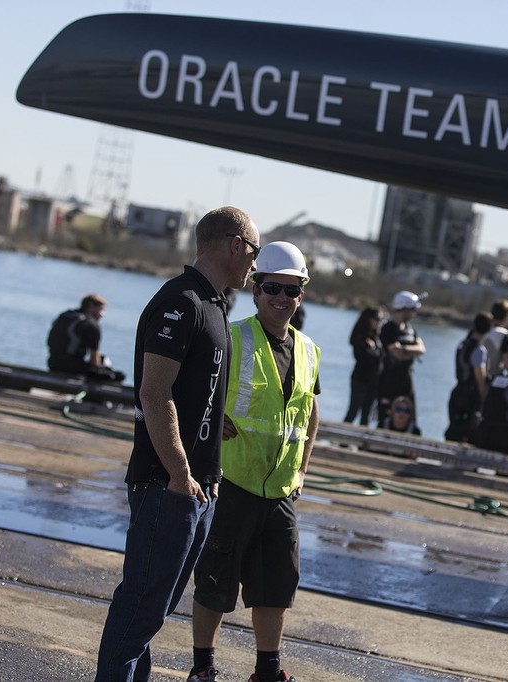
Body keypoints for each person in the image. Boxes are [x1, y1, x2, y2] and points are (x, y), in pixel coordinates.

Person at [94, 206, 259, 682]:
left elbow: (190, 391)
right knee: (139, 610)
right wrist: (179, 475)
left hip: (197, 486)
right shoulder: (181, 302)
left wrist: (213, 424)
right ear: (234, 245)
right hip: (167, 485)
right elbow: (153, 392)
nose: (254, 264)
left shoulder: (214, 307)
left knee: (152, 614)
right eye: (254, 251)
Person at [189, 241, 321, 682]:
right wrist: (209, 414)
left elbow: (310, 413)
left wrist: (302, 469)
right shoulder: (230, 336)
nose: (282, 298)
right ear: (256, 290)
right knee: (215, 583)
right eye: (272, 288)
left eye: (291, 290)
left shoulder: (309, 351)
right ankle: (203, 667)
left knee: (276, 589)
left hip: (280, 491)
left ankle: (268, 671)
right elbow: (188, 386)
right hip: (232, 484)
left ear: (301, 294)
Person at [47, 293, 125, 382]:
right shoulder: (91, 324)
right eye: (101, 310)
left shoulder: (65, 315)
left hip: (52, 363)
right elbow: (94, 360)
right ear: (91, 306)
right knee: (118, 375)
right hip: (72, 369)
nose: (102, 315)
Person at [377, 291, 426, 427]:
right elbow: (395, 353)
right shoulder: (387, 329)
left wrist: (404, 349)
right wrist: (411, 351)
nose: (414, 313)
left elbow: (422, 349)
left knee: (410, 417)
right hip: (389, 379)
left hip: (407, 379)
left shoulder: (411, 330)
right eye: (412, 309)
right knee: (385, 417)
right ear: (404, 308)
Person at [444, 312, 493, 442]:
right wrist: (484, 399)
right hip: (470, 397)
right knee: (467, 432)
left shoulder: (463, 344)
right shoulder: (479, 350)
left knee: (455, 428)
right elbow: (480, 377)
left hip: (458, 392)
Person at [343, 306, 384, 426]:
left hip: (374, 381)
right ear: (368, 319)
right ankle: (343, 441)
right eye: (377, 319)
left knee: (366, 413)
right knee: (353, 411)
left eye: (381, 319)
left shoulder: (376, 338)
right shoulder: (359, 337)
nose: (379, 322)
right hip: (360, 379)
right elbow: (365, 357)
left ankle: (362, 444)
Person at [482, 298, 508, 377]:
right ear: (506, 316)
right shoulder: (504, 335)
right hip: (492, 380)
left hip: (475, 377)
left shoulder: (482, 330)